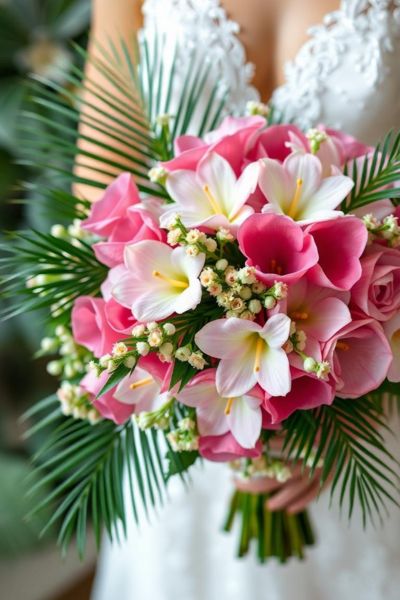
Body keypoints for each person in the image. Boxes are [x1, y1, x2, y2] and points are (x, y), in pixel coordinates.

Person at [79, 2, 400, 599]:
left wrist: (350, 413)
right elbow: (104, 175)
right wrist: (175, 376)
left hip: (363, 385)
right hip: (188, 396)